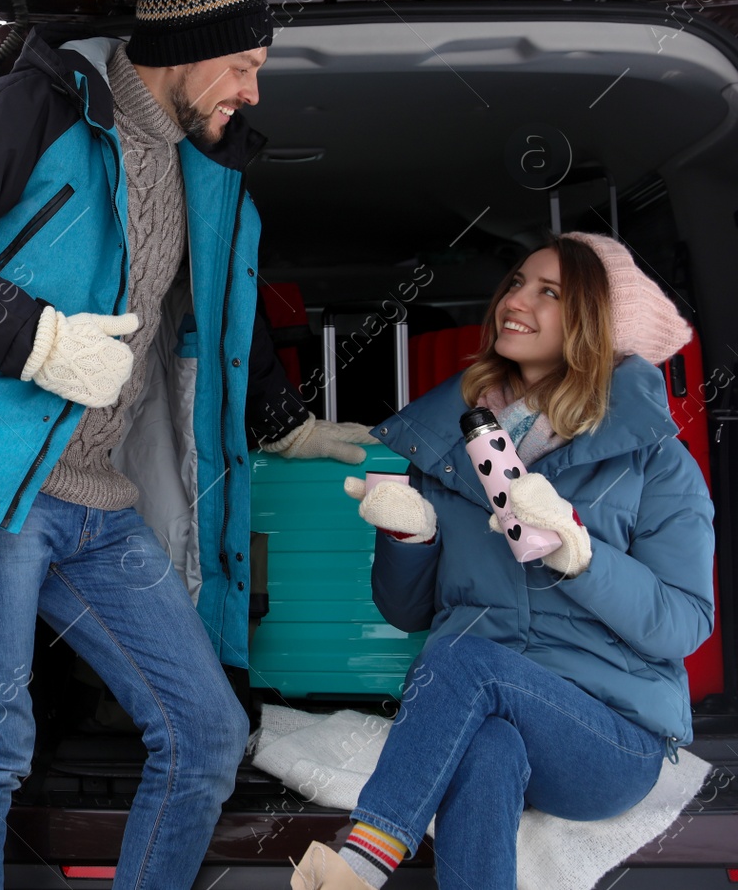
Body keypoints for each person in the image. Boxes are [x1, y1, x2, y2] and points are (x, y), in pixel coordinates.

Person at [0, 0, 374, 889]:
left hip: (97, 506)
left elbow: (212, 314)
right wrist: (35, 336)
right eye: (242, 64)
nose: (253, 88)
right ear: (187, 50)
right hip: (0, 491)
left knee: (203, 733)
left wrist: (283, 425)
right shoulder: (31, 111)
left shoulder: (197, 161)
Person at [291, 233, 715, 890]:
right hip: (488, 712)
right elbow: (408, 612)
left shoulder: (653, 463)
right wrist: (410, 538)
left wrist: (581, 554)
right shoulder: (450, 442)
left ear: (595, 323)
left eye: (550, 292)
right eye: (517, 281)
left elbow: (684, 623)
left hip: (607, 736)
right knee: (484, 747)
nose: (516, 300)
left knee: (463, 655)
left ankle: (361, 862)